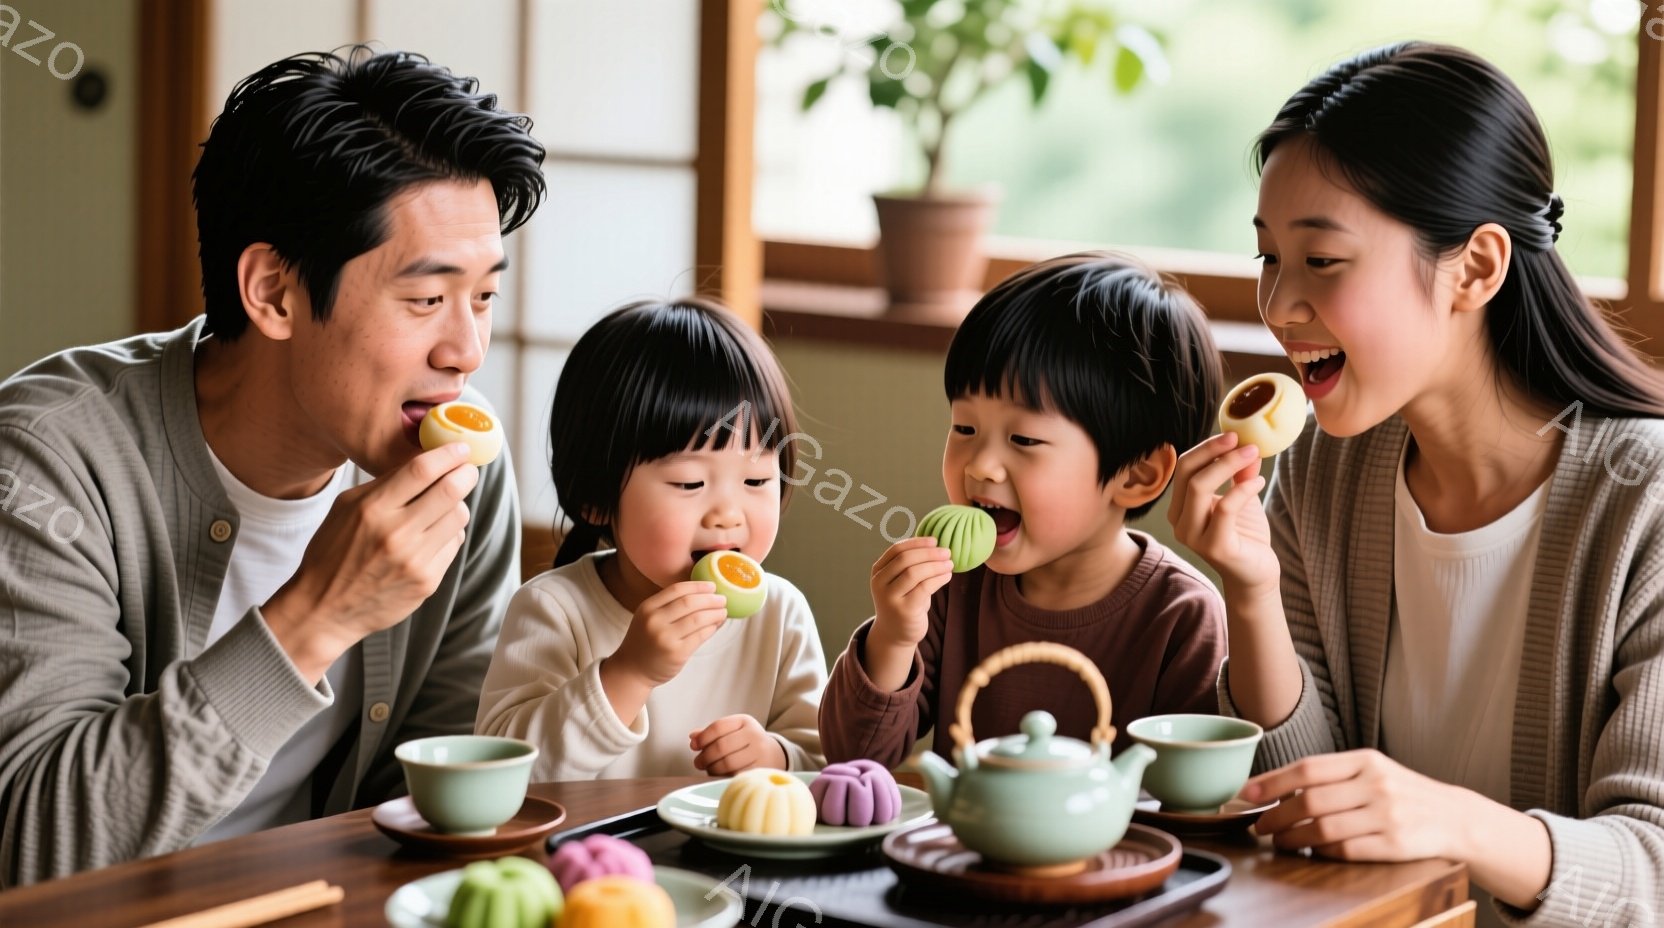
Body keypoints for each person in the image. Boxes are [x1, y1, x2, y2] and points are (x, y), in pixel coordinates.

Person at [0, 47, 545, 886]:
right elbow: (35, 848)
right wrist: (315, 618)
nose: (466, 351)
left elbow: (444, 799)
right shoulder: (49, 464)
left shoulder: (464, 472)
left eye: (484, 298)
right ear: (274, 292)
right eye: (428, 299)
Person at [1167, 42, 1664, 926]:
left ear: (1475, 266)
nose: (1278, 306)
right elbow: (1293, 804)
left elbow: (1653, 874)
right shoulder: (1327, 465)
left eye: (1322, 261)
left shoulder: (1646, 504)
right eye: (1269, 258)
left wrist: (1453, 820)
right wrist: (1251, 591)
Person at [819, 252, 1229, 766]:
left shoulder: (1181, 616)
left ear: (1136, 474)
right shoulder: (950, 590)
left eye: (1024, 439)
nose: (981, 465)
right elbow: (852, 759)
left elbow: (1194, 798)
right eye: (964, 428)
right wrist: (893, 637)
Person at [476, 298, 826, 778]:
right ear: (596, 499)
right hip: (587, 853)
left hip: (729, 856)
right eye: (689, 484)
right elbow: (505, 772)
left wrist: (776, 757)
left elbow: (826, 770)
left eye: (756, 481)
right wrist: (629, 673)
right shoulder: (553, 610)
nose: (727, 514)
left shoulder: (780, 616)